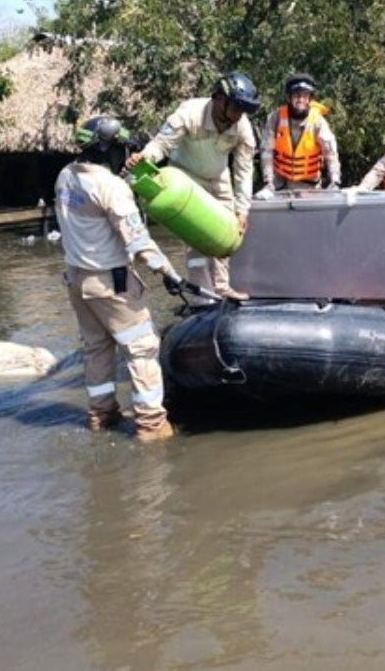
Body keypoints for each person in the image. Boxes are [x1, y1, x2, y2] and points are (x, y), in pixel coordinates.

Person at [55, 116, 179, 442]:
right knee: (141, 348)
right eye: (122, 150)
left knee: (97, 348)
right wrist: (169, 273)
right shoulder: (112, 187)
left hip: (77, 281)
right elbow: (137, 242)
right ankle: (151, 425)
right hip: (111, 283)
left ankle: (101, 413)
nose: (125, 158)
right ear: (106, 148)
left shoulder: (64, 176)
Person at [126, 71, 259, 300]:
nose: (239, 115)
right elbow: (162, 144)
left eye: (243, 110)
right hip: (187, 178)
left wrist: (243, 209)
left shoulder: (242, 127)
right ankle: (203, 296)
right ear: (219, 99)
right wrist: (144, 157)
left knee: (227, 232)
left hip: (219, 178)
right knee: (197, 240)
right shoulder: (189, 113)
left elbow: (244, 171)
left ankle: (222, 288)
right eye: (236, 107)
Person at [257, 73, 341, 194]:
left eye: (304, 95)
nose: (300, 99)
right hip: (279, 184)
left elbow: (330, 153)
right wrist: (268, 181)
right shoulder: (275, 118)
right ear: (289, 97)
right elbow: (266, 151)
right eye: (296, 95)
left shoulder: (318, 121)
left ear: (310, 98)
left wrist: (335, 181)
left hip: (309, 186)